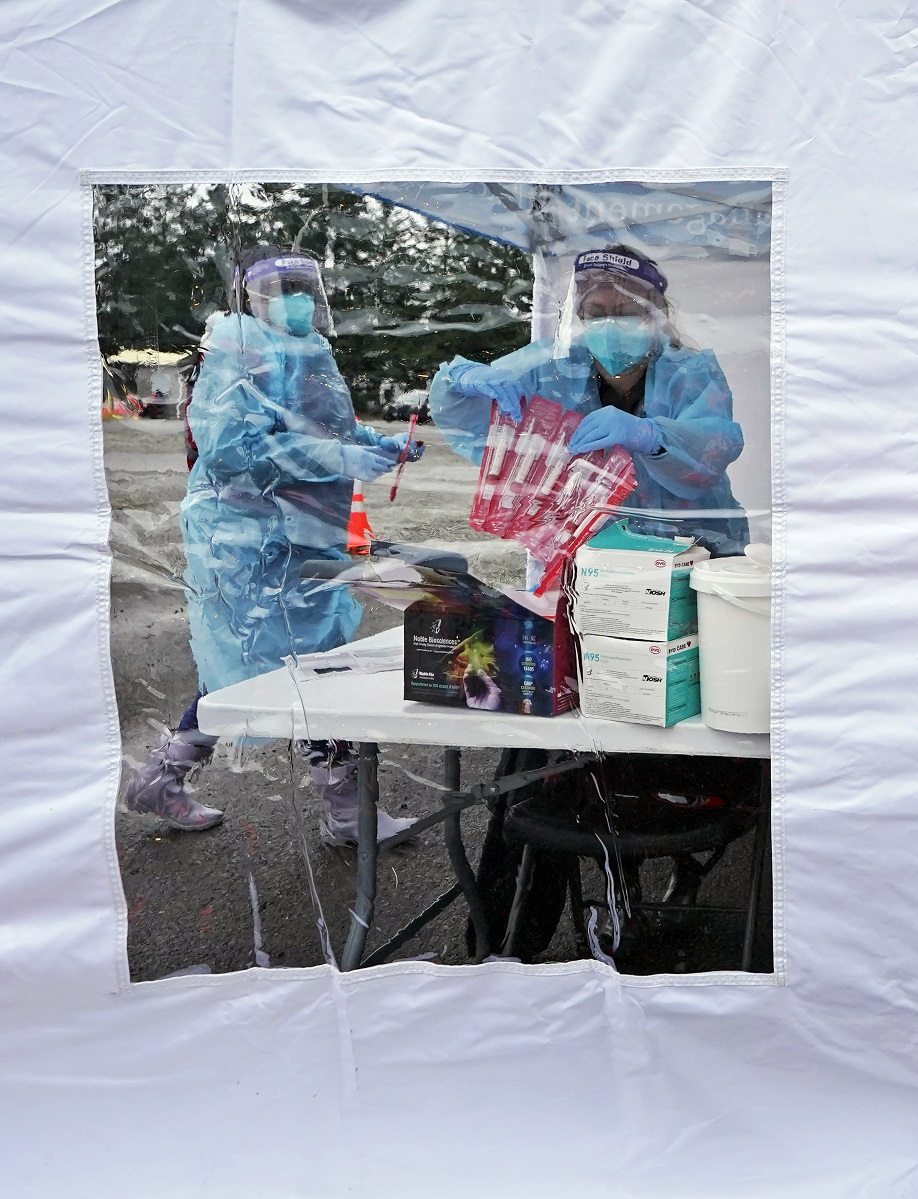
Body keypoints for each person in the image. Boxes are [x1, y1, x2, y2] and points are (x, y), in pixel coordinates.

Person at [123, 246, 422, 846]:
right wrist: (340, 457)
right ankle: (344, 811)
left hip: (304, 530)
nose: (297, 299)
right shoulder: (237, 352)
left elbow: (325, 428)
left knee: (275, 667)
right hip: (248, 539)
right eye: (279, 287)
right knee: (294, 668)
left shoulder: (310, 350)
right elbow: (233, 454)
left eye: (304, 285)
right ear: (249, 298)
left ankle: (165, 776)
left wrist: (378, 443)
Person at [428, 244, 748, 564]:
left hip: (691, 547)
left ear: (653, 315)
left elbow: (714, 446)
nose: (610, 325)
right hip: (588, 551)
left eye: (626, 312)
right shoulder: (552, 370)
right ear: (581, 315)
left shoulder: (688, 372)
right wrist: (459, 383)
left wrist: (651, 435)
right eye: (597, 313)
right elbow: (484, 427)